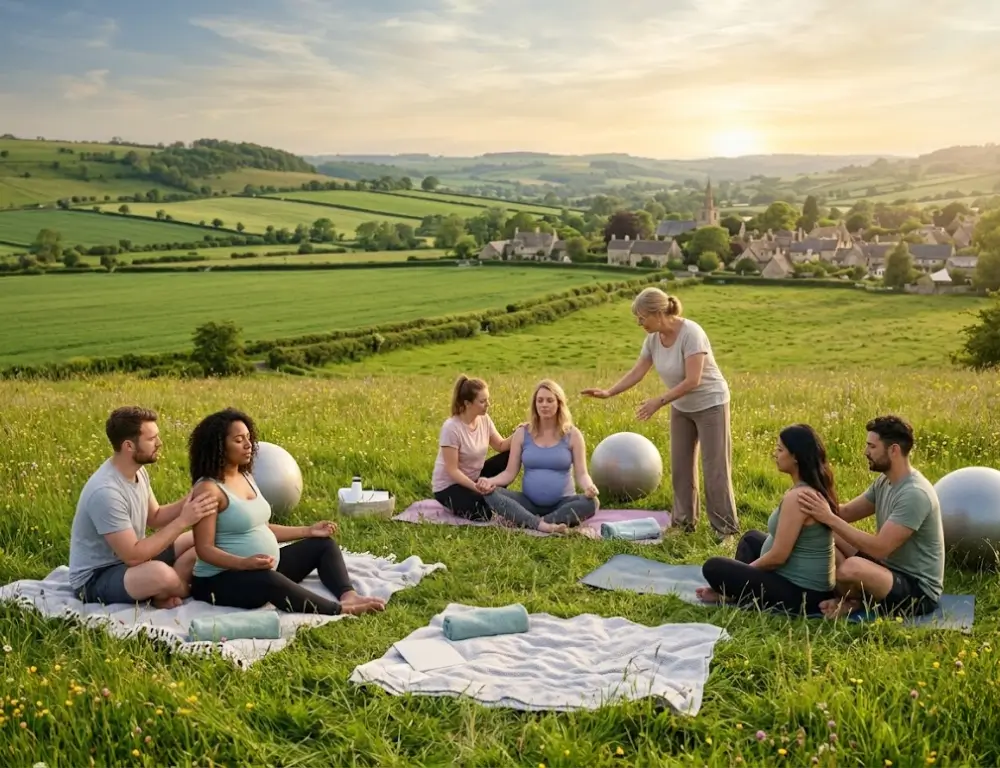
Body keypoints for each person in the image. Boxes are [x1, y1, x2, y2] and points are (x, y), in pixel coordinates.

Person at [188, 408, 385, 616]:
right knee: (269, 580)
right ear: (218, 446)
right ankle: (339, 609)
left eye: (248, 437)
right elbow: (204, 548)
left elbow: (260, 527)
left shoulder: (245, 476)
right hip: (219, 581)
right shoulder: (208, 489)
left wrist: (308, 531)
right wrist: (243, 564)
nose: (248, 445)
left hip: (261, 568)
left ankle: (348, 595)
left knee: (322, 545)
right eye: (238, 440)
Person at [582, 287, 738, 540]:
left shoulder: (691, 333)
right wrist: (609, 392)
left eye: (642, 317)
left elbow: (694, 380)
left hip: (711, 404)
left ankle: (725, 531)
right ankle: (683, 524)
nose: (639, 322)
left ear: (658, 313)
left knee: (715, 469)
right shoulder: (653, 340)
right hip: (682, 406)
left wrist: (658, 401)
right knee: (680, 467)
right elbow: (638, 371)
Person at [68, 406, 219, 608]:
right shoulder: (105, 492)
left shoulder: (137, 471)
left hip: (132, 560)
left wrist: (192, 499)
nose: (159, 443)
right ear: (129, 446)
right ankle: (176, 588)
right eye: (151, 439)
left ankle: (165, 589)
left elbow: (155, 516)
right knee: (161, 574)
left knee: (197, 538)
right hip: (96, 577)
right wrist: (183, 520)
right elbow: (133, 556)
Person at [798, 415, 945, 619]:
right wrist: (810, 505)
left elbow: (880, 547)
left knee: (850, 568)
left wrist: (829, 517)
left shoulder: (915, 494)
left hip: (917, 591)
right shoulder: (884, 482)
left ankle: (852, 602)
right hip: (886, 569)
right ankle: (851, 599)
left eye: (872, 446)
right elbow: (846, 513)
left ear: (893, 450)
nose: (866, 452)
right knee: (825, 533)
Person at [696, 424, 837, 614]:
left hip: (803, 596)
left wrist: (740, 575)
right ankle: (737, 592)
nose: (775, 454)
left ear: (795, 457)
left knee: (713, 567)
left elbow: (778, 557)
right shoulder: (807, 488)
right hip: (804, 587)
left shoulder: (798, 497)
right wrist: (742, 574)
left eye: (780, 450)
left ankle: (734, 593)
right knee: (751, 538)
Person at [476, 379, 600, 534]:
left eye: (549, 400)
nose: (544, 405)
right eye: (540, 400)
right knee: (491, 494)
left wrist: (589, 487)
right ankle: (544, 524)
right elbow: (509, 473)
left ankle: (535, 521)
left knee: (591, 503)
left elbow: (582, 474)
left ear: (559, 403)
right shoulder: (522, 433)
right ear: (535, 404)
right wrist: (489, 481)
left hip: (563, 503)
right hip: (528, 502)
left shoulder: (573, 435)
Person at [430, 374, 523, 520]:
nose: (488, 404)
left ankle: (491, 492)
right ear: (467, 403)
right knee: (484, 514)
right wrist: (478, 489)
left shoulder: (484, 419)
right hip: (450, 486)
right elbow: (452, 470)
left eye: (488, 400)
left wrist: (519, 433)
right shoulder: (451, 428)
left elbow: (500, 445)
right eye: (483, 401)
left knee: (510, 454)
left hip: (475, 478)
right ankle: (486, 496)